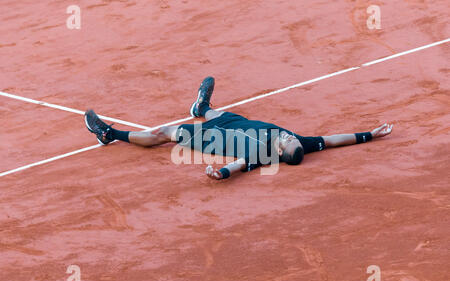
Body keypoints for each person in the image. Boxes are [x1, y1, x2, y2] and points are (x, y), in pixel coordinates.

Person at [85, 77, 393, 180]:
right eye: (290, 137)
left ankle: (108, 135)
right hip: (234, 122)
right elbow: (332, 140)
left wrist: (221, 173)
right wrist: (368, 135)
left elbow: (240, 164)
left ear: (281, 153)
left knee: (162, 133)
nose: (287, 136)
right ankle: (201, 108)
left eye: (286, 142)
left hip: (210, 139)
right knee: (215, 112)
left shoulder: (262, 155)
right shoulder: (301, 143)